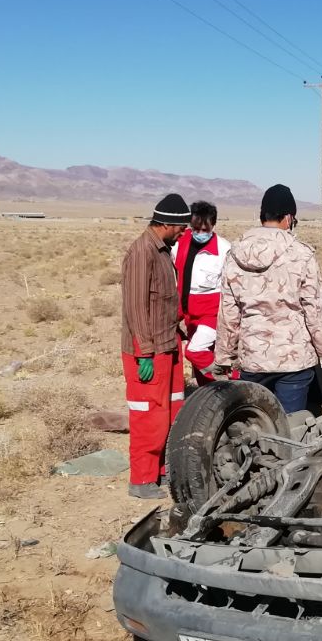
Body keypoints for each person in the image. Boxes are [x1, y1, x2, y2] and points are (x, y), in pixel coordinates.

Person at [214, 184, 322, 413]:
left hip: (253, 358)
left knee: (257, 422)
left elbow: (228, 313)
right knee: (291, 426)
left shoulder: (235, 254)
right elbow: (315, 311)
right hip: (294, 360)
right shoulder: (301, 254)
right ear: (289, 217)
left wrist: (223, 357)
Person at [121, 192, 190, 499]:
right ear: (167, 224)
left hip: (168, 345)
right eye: (181, 227)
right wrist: (144, 352)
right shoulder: (142, 253)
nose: (183, 233)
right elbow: (136, 306)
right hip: (148, 351)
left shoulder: (163, 250)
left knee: (172, 411)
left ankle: (162, 469)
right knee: (149, 414)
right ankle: (141, 480)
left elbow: (161, 301)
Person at [172, 200, 228, 385]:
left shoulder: (224, 249)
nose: (199, 233)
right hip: (188, 314)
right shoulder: (180, 242)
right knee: (200, 363)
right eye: (196, 228)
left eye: (205, 230)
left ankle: (231, 383)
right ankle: (209, 394)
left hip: (211, 315)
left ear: (213, 225)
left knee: (195, 351)